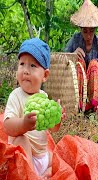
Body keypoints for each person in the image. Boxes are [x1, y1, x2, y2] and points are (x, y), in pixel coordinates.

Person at [3, 38, 65, 178]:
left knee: (58, 159)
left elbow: (52, 129)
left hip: (41, 156)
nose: (25, 71)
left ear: (45, 75)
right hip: (24, 158)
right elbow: (7, 126)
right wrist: (23, 124)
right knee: (21, 139)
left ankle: (44, 172)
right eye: (22, 64)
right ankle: (31, 175)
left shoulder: (43, 96)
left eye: (32, 66)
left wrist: (57, 119)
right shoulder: (16, 96)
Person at [65, 0, 98, 123]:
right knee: (79, 63)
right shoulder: (75, 41)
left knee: (94, 64)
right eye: (84, 31)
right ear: (80, 29)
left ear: (95, 29)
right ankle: (77, 105)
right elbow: (63, 62)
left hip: (95, 88)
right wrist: (72, 55)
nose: (88, 36)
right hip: (78, 90)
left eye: (91, 31)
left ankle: (94, 105)